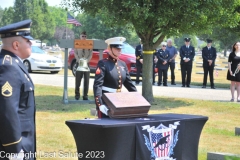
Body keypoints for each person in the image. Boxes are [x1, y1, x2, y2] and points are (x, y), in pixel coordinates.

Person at [0, 20, 36, 160]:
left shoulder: (13, 63)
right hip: (15, 147)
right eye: (28, 41)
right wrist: (13, 149)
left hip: (24, 141)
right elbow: (7, 110)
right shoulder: (8, 67)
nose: (31, 44)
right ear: (16, 45)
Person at [93, 37, 137, 118]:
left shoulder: (122, 64)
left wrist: (138, 99)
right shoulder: (103, 63)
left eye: (120, 48)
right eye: (117, 48)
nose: (119, 50)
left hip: (119, 101)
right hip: (106, 101)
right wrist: (100, 104)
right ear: (109, 48)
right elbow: (98, 85)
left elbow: (129, 85)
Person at [74, 31, 93, 100]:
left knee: (86, 81)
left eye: (85, 36)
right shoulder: (77, 43)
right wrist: (79, 61)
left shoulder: (89, 44)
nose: (84, 38)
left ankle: (85, 95)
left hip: (86, 64)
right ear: (80, 36)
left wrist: (86, 61)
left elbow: (91, 54)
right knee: (78, 81)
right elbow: (75, 53)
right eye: (82, 36)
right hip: (79, 63)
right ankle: (77, 95)